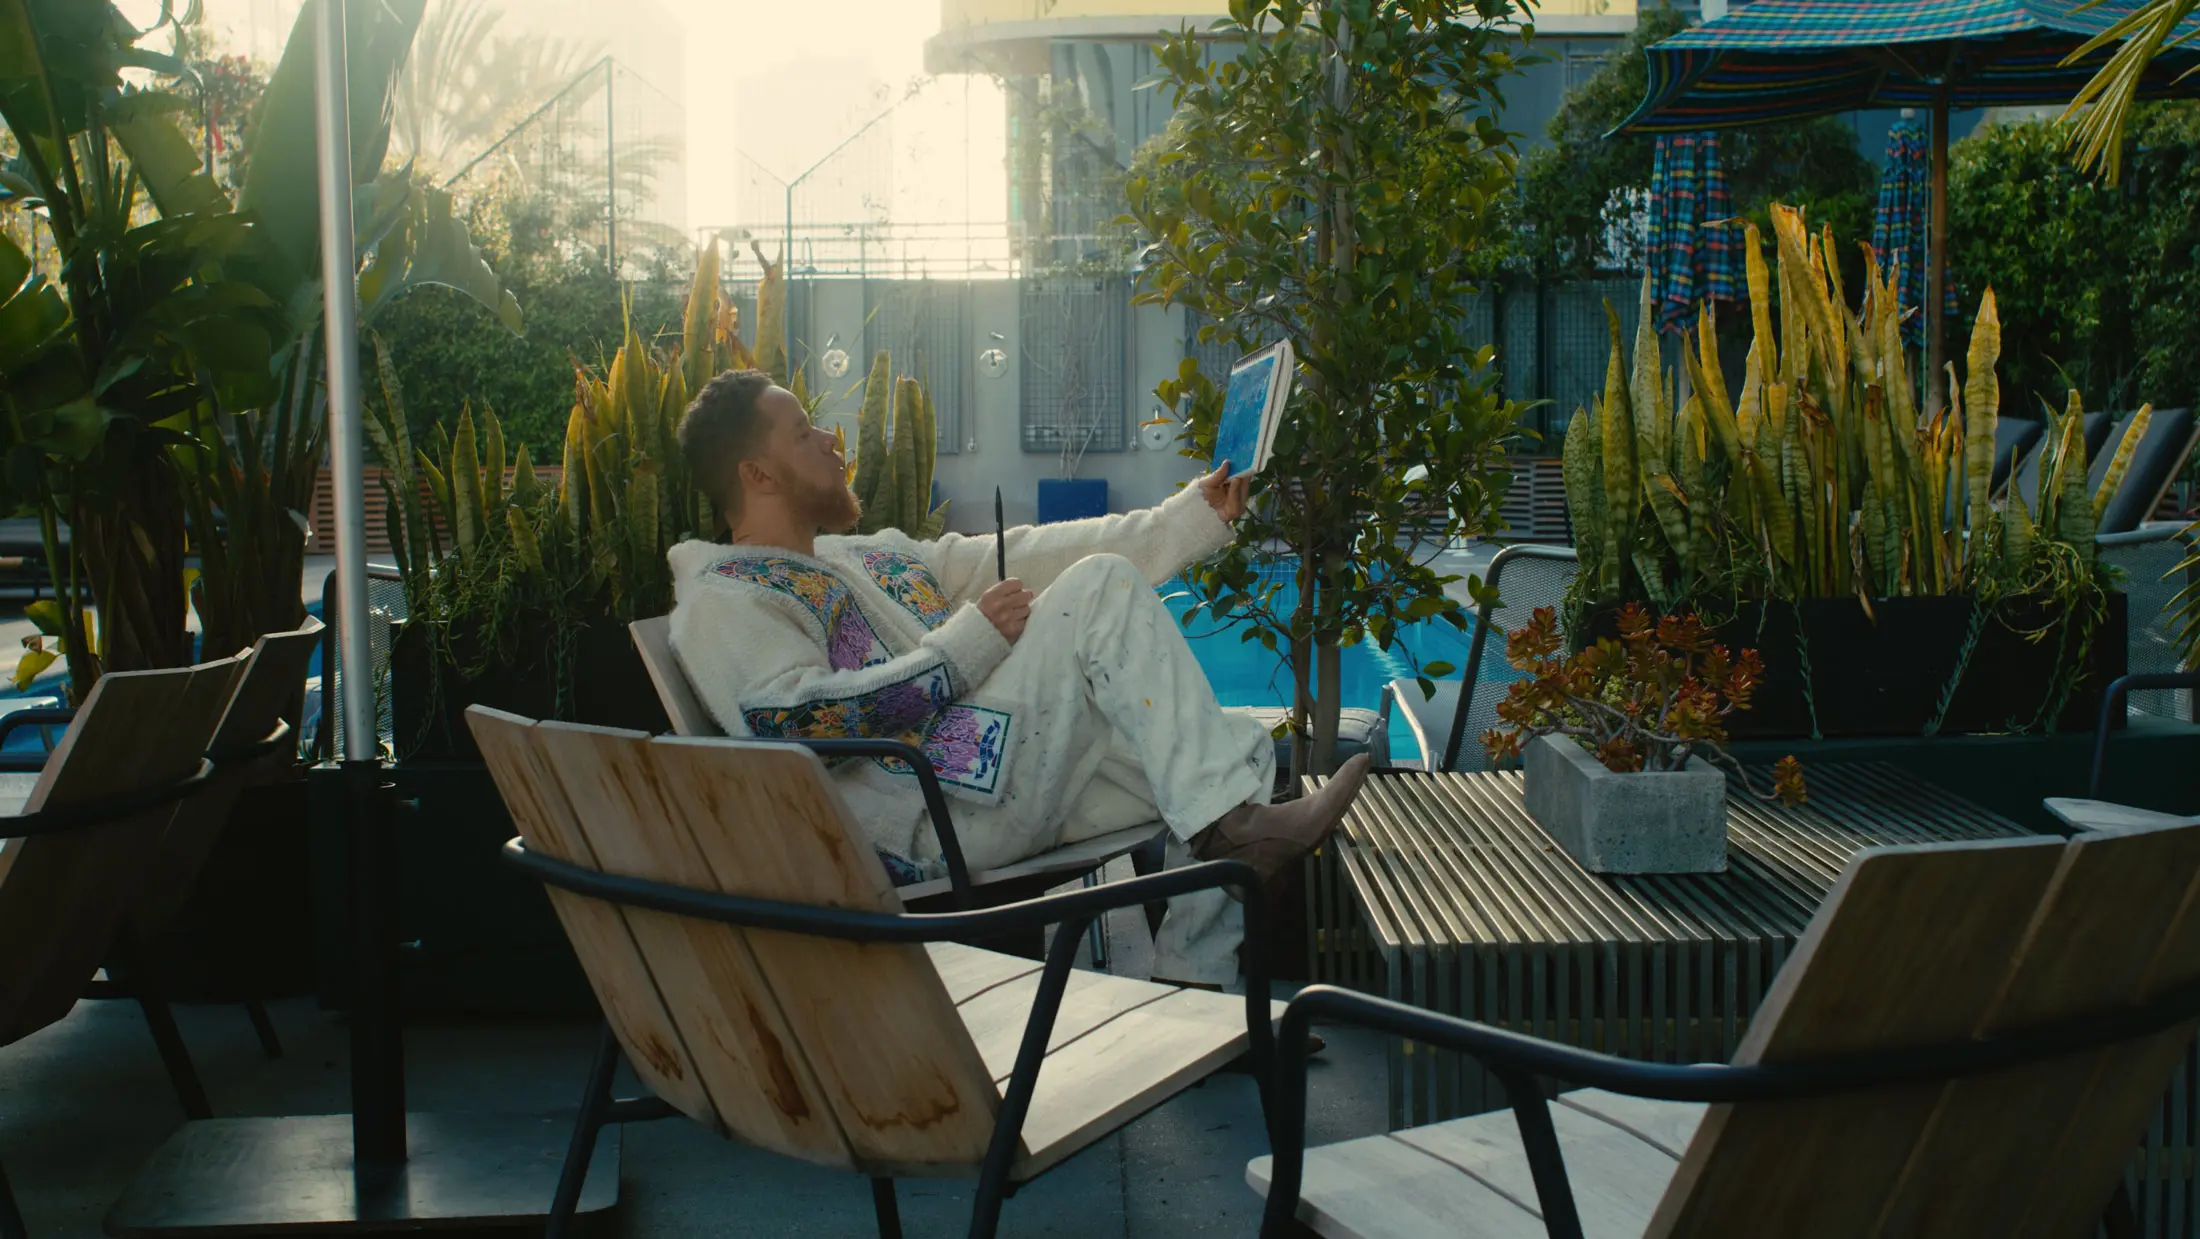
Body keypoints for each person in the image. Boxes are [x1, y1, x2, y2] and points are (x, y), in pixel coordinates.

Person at [666, 369, 1369, 986]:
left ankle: (1198, 985)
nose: (829, 439)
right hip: (927, 823)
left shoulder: (863, 554)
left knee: (1233, 751)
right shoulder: (721, 599)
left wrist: (1184, 519)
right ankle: (1234, 832)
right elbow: (787, 720)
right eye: (802, 433)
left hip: (996, 776)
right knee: (1103, 594)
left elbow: (1030, 552)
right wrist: (964, 645)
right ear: (756, 475)